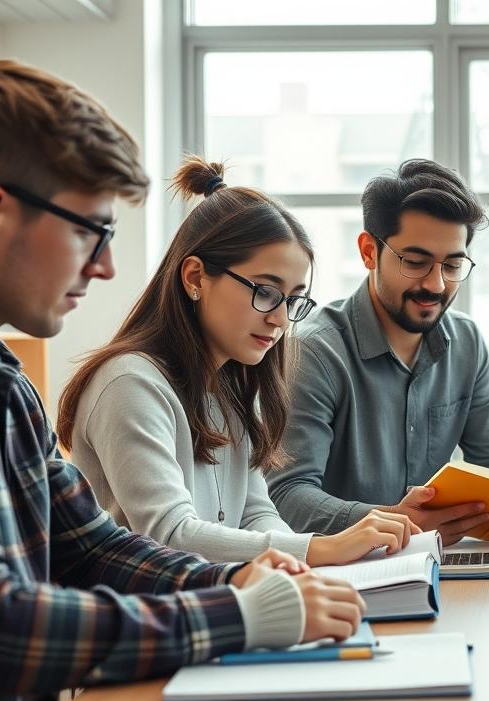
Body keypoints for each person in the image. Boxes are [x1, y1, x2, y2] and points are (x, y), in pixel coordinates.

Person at [0, 61, 363, 701]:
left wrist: (238, 580)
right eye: (89, 232)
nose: (103, 267)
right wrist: (235, 614)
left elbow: (90, 545)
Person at [57, 157, 418, 568]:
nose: (281, 318)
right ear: (194, 278)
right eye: (265, 291)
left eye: (293, 299)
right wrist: (321, 548)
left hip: (215, 605)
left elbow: (255, 514)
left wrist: (302, 565)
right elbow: (169, 535)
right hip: (139, 620)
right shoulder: (129, 384)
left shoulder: (232, 387)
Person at [267, 159, 489, 545]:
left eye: (453, 264)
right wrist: (393, 521)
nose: (436, 284)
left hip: (440, 571)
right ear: (368, 252)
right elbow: (286, 495)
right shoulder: (312, 351)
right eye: (415, 262)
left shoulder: (467, 342)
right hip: (343, 576)